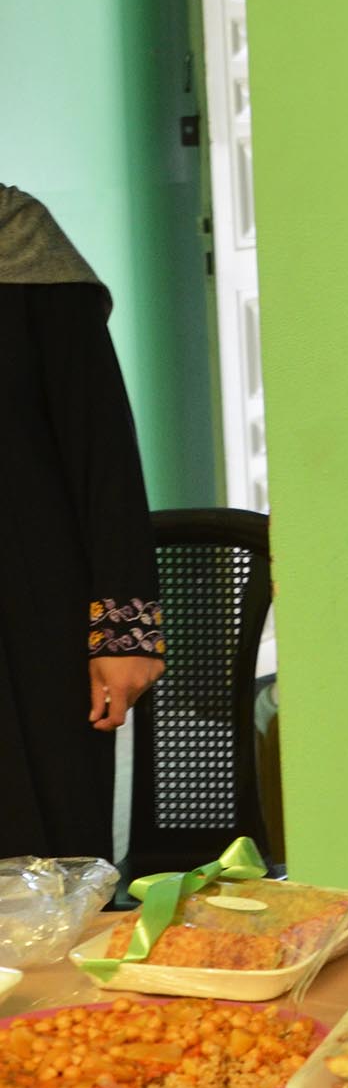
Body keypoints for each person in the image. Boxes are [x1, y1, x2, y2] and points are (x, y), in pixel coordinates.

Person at [0, 185, 165, 859]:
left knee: (47, 879)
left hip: (29, 625)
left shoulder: (21, 244)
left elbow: (104, 454)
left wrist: (126, 633)